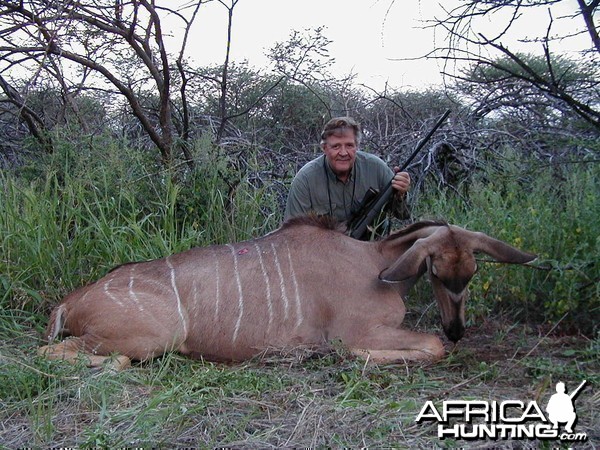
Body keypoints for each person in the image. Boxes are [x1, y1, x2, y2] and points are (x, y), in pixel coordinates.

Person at [284, 116, 411, 237]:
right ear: (324, 148)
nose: (343, 153)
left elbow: (403, 215)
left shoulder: (377, 168)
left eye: (349, 145)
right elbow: (292, 234)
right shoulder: (305, 179)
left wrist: (400, 194)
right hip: (324, 253)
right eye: (336, 146)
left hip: (373, 248)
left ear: (357, 146)